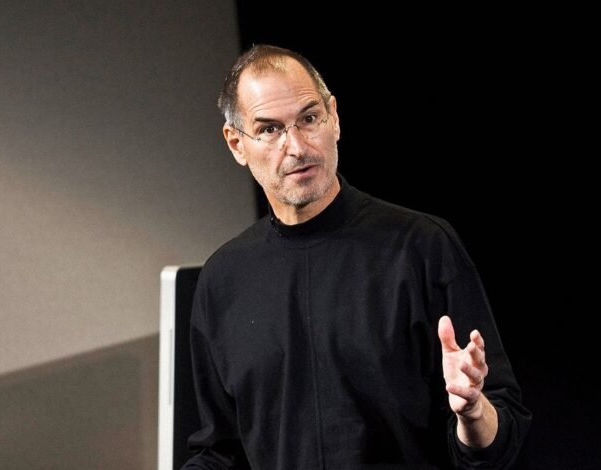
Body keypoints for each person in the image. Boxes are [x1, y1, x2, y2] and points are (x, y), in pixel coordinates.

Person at [183, 44, 531, 470]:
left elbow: (502, 430)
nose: (296, 147)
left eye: (309, 119)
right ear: (237, 144)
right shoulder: (223, 280)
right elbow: (220, 452)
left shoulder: (420, 246)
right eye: (270, 130)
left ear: (335, 118)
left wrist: (473, 412)